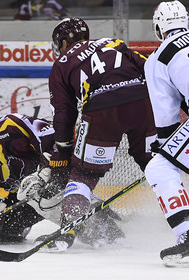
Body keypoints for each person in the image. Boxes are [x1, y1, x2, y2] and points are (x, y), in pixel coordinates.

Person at [41, 17, 156, 250]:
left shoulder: (62, 63)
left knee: (82, 174)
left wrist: (62, 150)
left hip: (102, 111)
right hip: (143, 104)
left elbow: (63, 114)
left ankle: (67, 230)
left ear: (63, 42)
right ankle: (182, 219)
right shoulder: (113, 43)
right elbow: (151, 69)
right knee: (156, 165)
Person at [0, 102, 122, 246]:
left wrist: (46, 170)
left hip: (53, 176)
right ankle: (83, 219)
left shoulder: (8, 126)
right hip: (24, 196)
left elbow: (53, 137)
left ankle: (101, 225)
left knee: (32, 190)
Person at [143, 0, 189, 266]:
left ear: (159, 28)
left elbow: (167, 118)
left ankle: (186, 236)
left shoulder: (160, 56)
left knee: (159, 170)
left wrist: (164, 149)